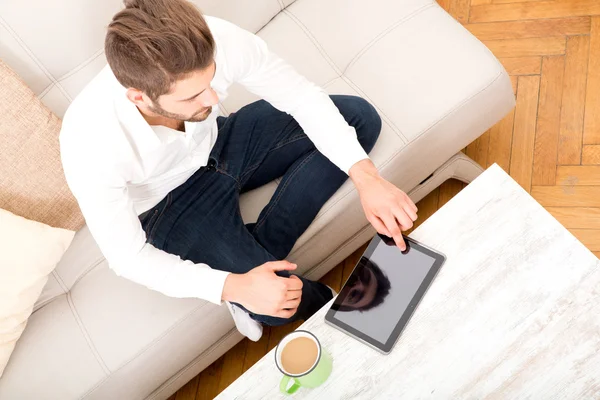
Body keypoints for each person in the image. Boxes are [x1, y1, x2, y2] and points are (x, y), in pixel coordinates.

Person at [59, 0, 418, 342]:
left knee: (359, 118)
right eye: (192, 96)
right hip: (169, 207)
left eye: (211, 80)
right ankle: (302, 293)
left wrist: (367, 180)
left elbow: (301, 97)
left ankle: (261, 244)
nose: (213, 99)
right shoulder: (88, 140)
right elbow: (128, 257)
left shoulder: (215, 40)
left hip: (224, 142)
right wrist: (233, 286)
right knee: (279, 305)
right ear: (139, 97)